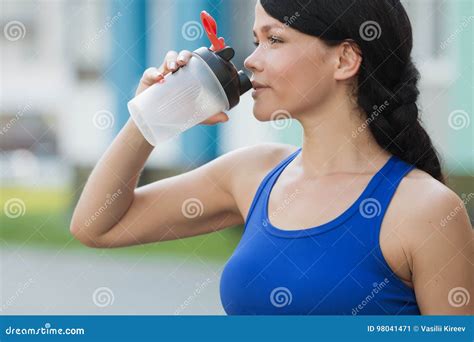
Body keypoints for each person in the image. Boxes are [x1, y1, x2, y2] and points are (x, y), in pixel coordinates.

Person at [70, 0, 473, 315]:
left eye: (274, 40)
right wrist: (151, 116)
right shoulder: (253, 172)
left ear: (345, 59)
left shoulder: (426, 209)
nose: (250, 59)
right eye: (255, 39)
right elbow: (96, 226)